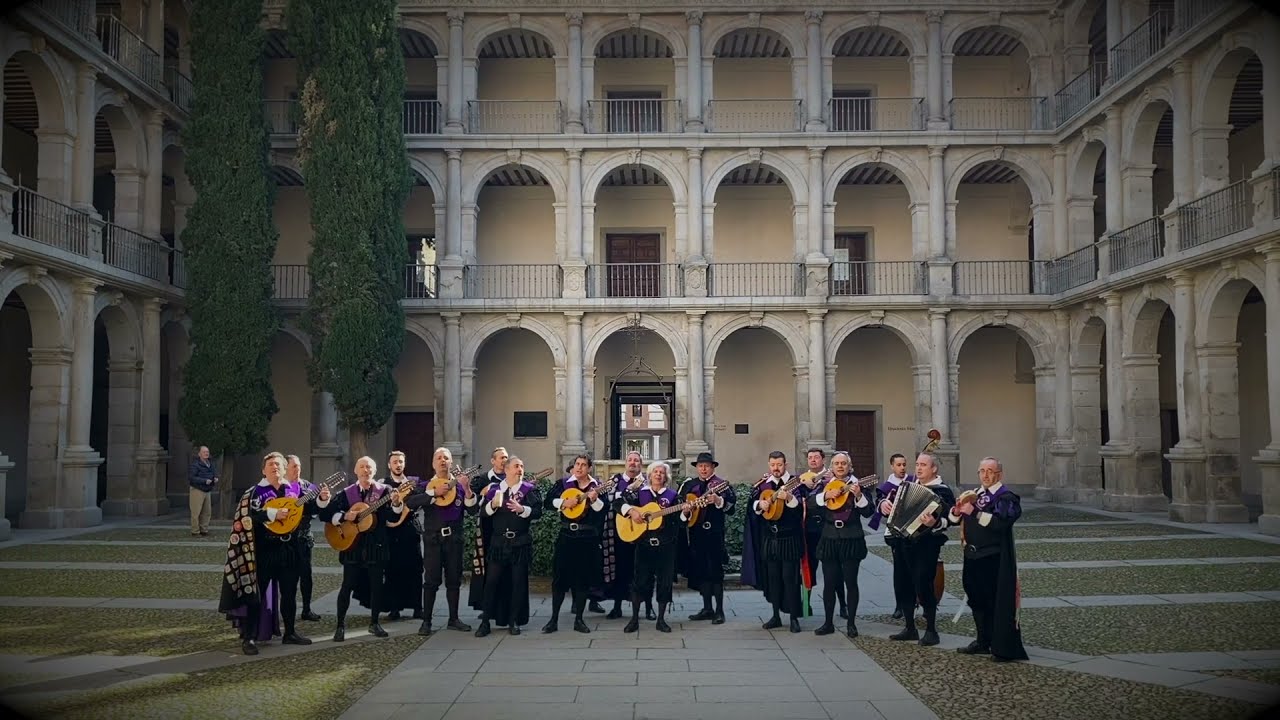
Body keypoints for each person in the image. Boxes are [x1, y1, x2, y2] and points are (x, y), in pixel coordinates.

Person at [219, 452, 330, 655]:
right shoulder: (254, 493)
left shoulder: (292, 491)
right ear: (264, 470)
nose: (275, 467)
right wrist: (272, 514)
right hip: (264, 551)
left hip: (289, 549)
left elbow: (308, 509)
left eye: (278, 464)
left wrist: (322, 500)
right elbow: (249, 516)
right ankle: (249, 637)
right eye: (271, 464)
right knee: (256, 595)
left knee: (289, 593)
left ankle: (290, 632)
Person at [949, 457, 1028, 662]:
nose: (985, 475)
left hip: (993, 558)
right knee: (976, 600)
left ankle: (999, 644)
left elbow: (1001, 523)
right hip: (972, 556)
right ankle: (982, 640)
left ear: (999, 474)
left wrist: (974, 512)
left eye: (990, 471)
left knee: (994, 601)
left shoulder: (1006, 498)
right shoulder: (975, 495)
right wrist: (957, 511)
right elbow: (954, 519)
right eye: (982, 470)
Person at [327, 456, 407, 642]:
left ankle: (374, 622)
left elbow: (392, 517)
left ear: (375, 471)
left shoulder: (384, 491)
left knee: (377, 586)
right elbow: (329, 513)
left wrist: (396, 503)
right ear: (356, 471)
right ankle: (340, 626)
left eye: (369, 467)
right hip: (352, 545)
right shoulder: (347, 493)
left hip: (375, 545)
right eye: (362, 467)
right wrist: (345, 515)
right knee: (347, 585)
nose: (366, 470)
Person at [881, 452, 955, 646]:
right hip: (903, 542)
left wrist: (935, 523)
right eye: (917, 464)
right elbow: (890, 503)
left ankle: (931, 630)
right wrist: (884, 505)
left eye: (923, 465)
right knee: (903, 583)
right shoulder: (907, 487)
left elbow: (951, 519)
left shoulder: (943, 492)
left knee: (924, 583)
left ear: (934, 469)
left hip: (927, 544)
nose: (919, 468)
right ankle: (909, 627)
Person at [406, 447, 479, 636]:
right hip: (433, 540)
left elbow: (472, 510)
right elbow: (411, 503)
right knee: (431, 581)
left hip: (454, 539)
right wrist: (433, 494)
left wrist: (467, 488)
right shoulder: (425, 485)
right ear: (433, 463)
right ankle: (427, 621)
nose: (443, 461)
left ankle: (453, 619)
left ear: (451, 462)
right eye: (439, 458)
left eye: (446, 458)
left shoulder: (459, 485)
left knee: (454, 580)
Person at [809, 451, 875, 638]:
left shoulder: (857, 485)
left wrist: (860, 496)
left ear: (849, 466)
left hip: (851, 537)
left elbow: (869, 511)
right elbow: (810, 503)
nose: (840, 466)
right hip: (829, 537)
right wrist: (826, 495)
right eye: (836, 463)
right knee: (829, 583)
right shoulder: (824, 484)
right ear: (832, 466)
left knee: (851, 582)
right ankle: (828, 623)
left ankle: (851, 624)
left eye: (843, 463)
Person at [475, 456, 542, 637]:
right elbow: (480, 512)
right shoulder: (493, 490)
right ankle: (485, 621)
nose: (520, 469)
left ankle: (513, 621)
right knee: (491, 582)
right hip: (498, 542)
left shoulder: (529, 490)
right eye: (516, 466)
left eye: (521, 466)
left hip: (520, 542)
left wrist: (522, 510)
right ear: (506, 469)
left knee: (518, 583)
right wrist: (492, 505)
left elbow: (538, 512)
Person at [745, 451, 810, 633]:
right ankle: (775, 616)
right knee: (773, 578)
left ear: (785, 465)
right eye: (773, 465)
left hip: (789, 538)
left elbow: (801, 508)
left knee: (790, 578)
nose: (776, 468)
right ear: (769, 465)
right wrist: (760, 505)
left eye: (779, 465)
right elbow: (752, 505)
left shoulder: (795, 483)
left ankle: (794, 617)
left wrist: (788, 498)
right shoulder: (763, 484)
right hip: (769, 538)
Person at [542, 454, 606, 634]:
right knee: (559, 579)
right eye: (577, 464)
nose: (579, 468)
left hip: (587, 538)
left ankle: (579, 619)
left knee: (582, 581)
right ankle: (553, 620)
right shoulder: (563, 484)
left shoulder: (597, 486)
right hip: (566, 536)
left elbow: (603, 510)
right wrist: (564, 502)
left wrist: (594, 499)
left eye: (584, 465)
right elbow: (548, 502)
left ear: (589, 468)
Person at [616, 461, 681, 633]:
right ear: (649, 475)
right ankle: (634, 619)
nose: (658, 475)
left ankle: (661, 620)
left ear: (666, 477)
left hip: (665, 547)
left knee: (664, 583)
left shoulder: (672, 495)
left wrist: (686, 512)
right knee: (640, 582)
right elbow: (617, 503)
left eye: (661, 472)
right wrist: (631, 511)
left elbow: (679, 521)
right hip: (644, 545)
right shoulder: (639, 493)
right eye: (655, 472)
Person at [678, 452, 735, 625]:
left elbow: (731, 507)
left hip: (714, 535)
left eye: (707, 466)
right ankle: (707, 608)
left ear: (713, 467)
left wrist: (718, 500)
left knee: (716, 572)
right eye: (700, 466)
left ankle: (719, 611)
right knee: (701, 571)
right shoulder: (689, 485)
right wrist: (686, 510)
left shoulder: (721, 485)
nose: (703, 469)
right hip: (696, 535)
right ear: (696, 467)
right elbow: (680, 505)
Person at [604, 451, 653, 620]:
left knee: (645, 572)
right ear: (625, 463)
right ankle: (617, 607)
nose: (633, 463)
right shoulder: (615, 481)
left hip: (643, 534)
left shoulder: (648, 481)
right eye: (630, 460)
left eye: (636, 460)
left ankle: (648, 608)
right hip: (620, 531)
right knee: (621, 569)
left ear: (641, 464)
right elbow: (609, 502)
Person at [379, 450, 425, 622]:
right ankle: (394, 607)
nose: (398, 464)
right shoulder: (383, 484)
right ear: (389, 465)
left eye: (401, 462)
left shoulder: (413, 483)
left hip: (410, 531)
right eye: (395, 462)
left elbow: (419, 503)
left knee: (415, 569)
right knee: (392, 570)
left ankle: (418, 608)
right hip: (391, 532)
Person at [800, 448, 845, 619]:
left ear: (823, 460)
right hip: (810, 530)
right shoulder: (802, 480)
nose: (813, 460)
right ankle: (806, 604)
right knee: (809, 567)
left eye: (816, 457)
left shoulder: (832, 479)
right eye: (810, 458)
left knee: (835, 568)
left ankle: (843, 605)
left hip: (829, 528)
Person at [872, 453, 915, 621]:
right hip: (896, 533)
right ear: (892, 466)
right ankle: (900, 604)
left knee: (916, 569)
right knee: (899, 570)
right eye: (899, 465)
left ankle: (918, 601)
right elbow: (879, 506)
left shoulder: (913, 481)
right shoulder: (886, 487)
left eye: (904, 464)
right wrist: (883, 504)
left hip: (913, 531)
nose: (902, 468)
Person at [468, 447, 508, 619]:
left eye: (506, 457)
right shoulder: (482, 479)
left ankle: (502, 608)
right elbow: (472, 506)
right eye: (500, 457)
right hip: (487, 527)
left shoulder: (512, 478)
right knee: (486, 569)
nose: (504, 460)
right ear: (493, 460)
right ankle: (485, 606)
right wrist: (483, 494)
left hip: (505, 528)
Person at [284, 455, 320, 621]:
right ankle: (285, 612)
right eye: (293, 467)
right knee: (288, 578)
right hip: (286, 539)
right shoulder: (280, 487)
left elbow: (316, 509)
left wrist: (322, 499)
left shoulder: (308, 486)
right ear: (285, 468)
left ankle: (306, 608)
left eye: (298, 466)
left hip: (305, 536)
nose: (297, 470)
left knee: (306, 574)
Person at [188, 446, 217, 536]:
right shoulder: (195, 465)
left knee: (207, 512)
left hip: (207, 490)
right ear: (199, 454)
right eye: (204, 452)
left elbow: (213, 473)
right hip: (197, 490)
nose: (206, 453)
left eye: (207, 452)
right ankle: (195, 531)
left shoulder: (210, 463)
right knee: (196, 512)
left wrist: (214, 478)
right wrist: (204, 481)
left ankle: (204, 530)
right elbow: (192, 478)